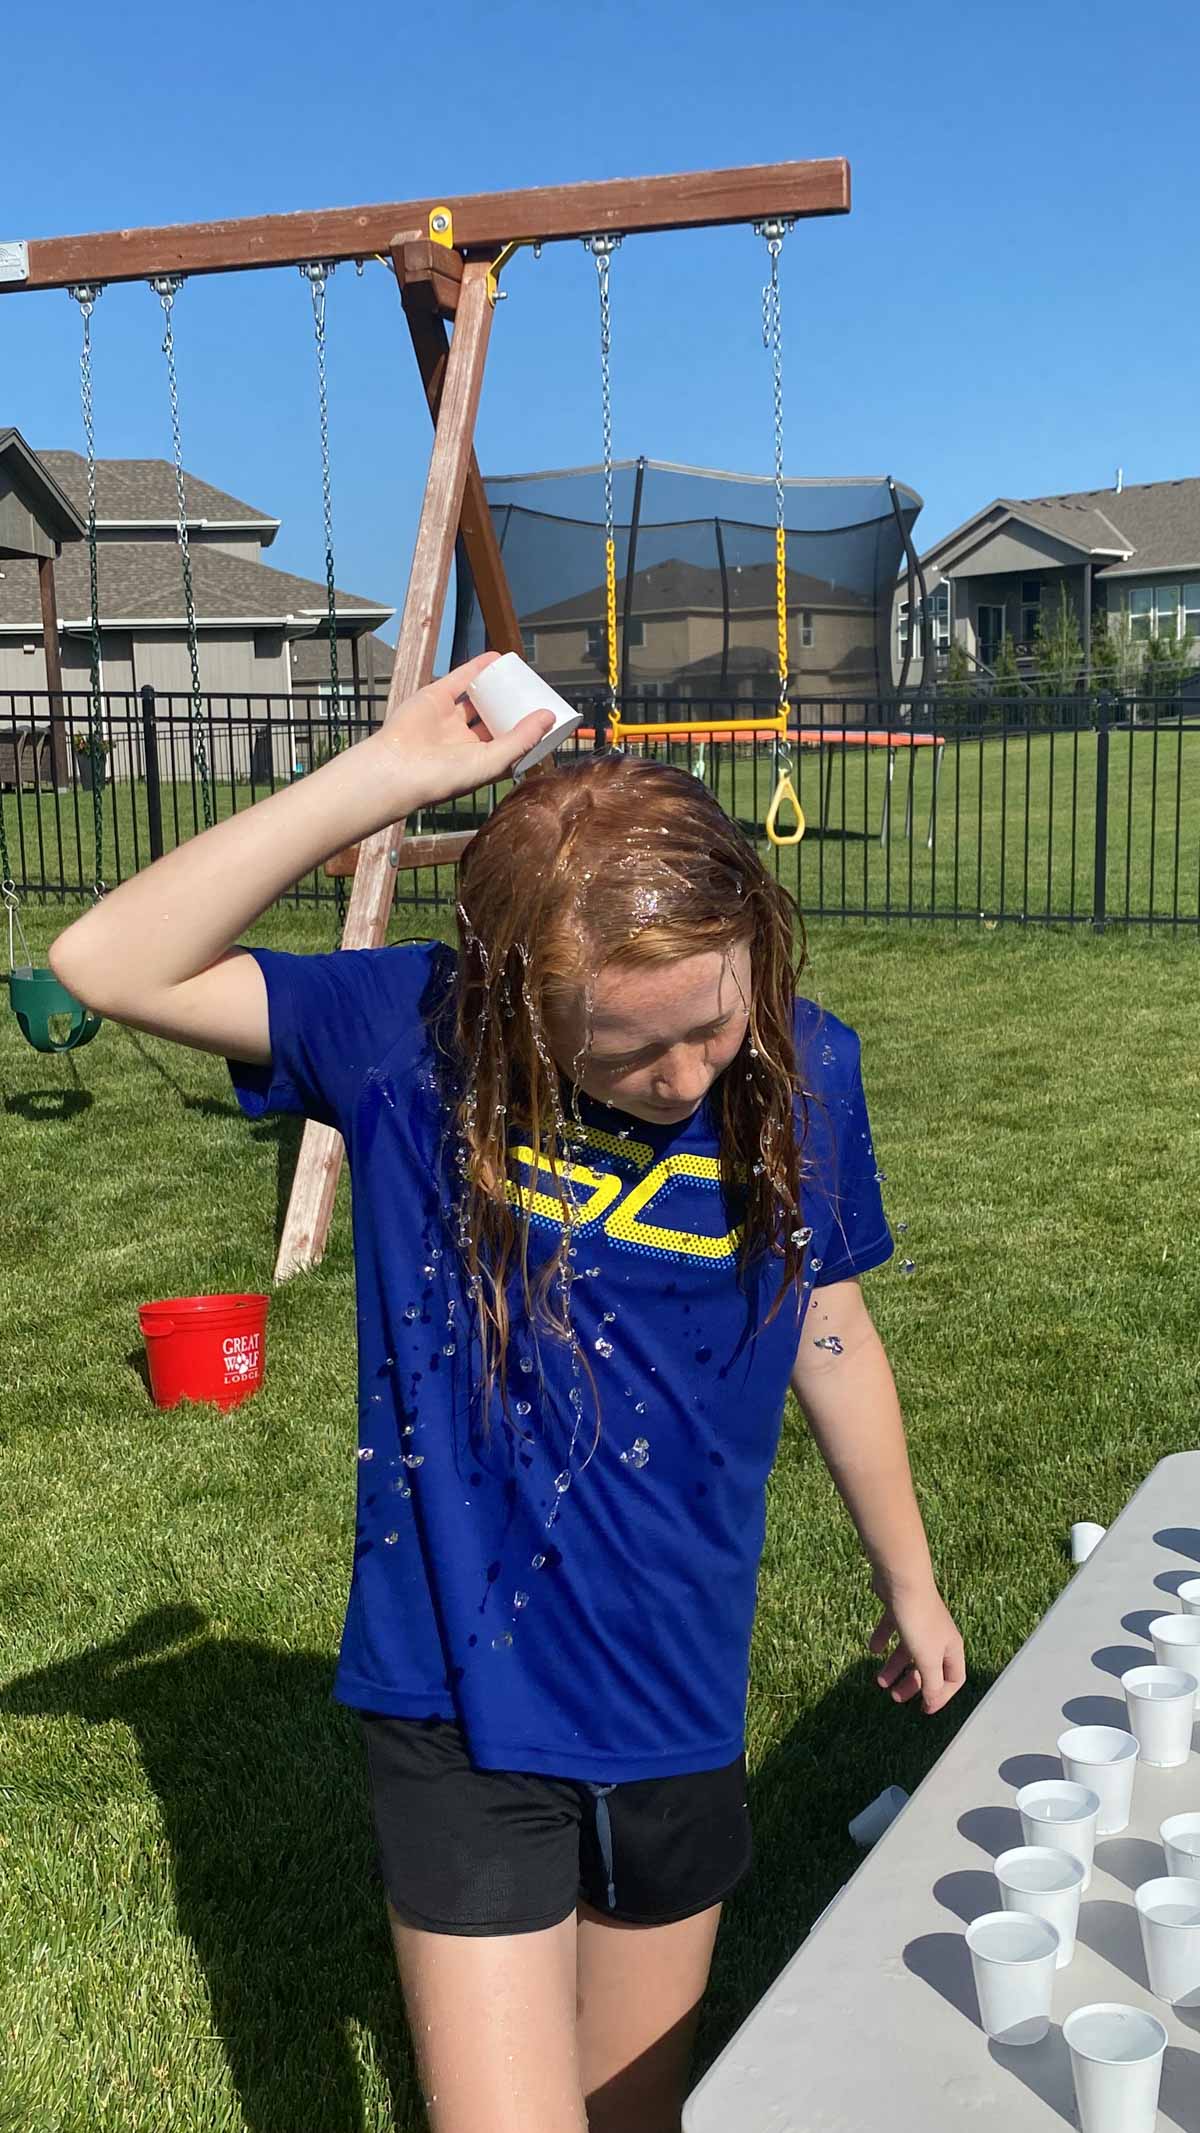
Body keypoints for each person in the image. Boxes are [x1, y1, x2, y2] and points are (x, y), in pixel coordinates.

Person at [50, 653, 965, 2133]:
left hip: (678, 1686)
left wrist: (909, 1576)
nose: (684, 1074)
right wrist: (384, 779)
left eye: (710, 1021)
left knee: (630, 2114)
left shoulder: (803, 1068)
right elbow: (106, 965)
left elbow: (831, 1324)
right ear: (518, 1006)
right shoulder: (414, 1039)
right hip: (457, 1700)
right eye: (628, 1047)